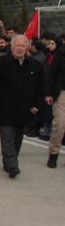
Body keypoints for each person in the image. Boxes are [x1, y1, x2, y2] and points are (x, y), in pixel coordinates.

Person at [0, 35, 44, 178]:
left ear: (27, 47)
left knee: (17, 139)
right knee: (7, 138)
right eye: (17, 46)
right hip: (4, 109)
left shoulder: (35, 65)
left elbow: (41, 87)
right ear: (11, 47)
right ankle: (13, 166)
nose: (20, 48)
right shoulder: (0, 63)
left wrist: (37, 105)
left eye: (23, 46)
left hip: (25, 109)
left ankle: (9, 162)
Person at [45, 37, 65, 168]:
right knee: (60, 124)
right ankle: (53, 155)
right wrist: (49, 93)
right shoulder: (61, 53)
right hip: (62, 92)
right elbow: (51, 73)